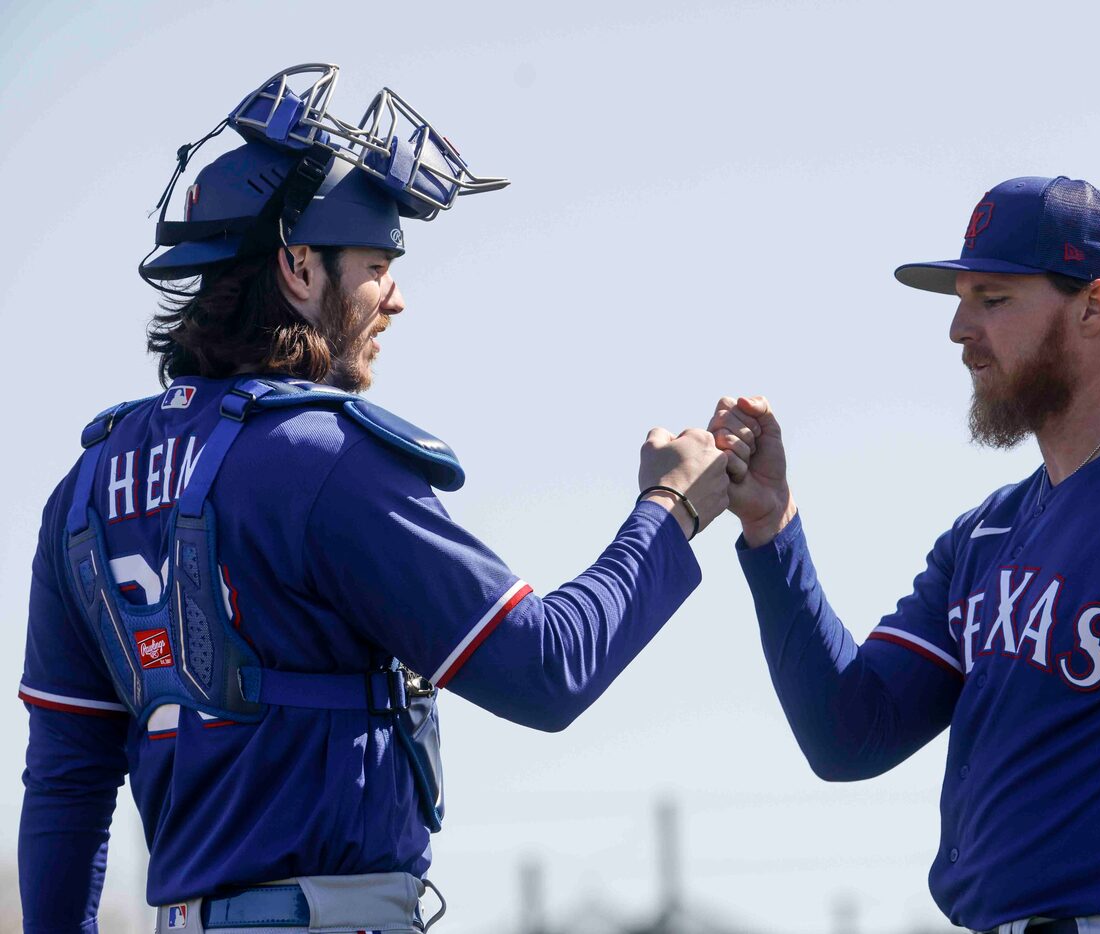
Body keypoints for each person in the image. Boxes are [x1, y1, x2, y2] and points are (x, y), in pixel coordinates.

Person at [18, 64, 728, 934]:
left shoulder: (84, 487)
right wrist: (667, 512)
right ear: (299, 266)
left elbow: (67, 782)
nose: (396, 295)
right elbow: (545, 669)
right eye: (378, 263)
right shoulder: (321, 457)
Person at [710, 176, 1100, 933]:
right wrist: (774, 531)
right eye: (960, 298)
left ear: (1094, 306)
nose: (960, 328)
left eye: (994, 299)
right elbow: (850, 733)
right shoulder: (987, 534)